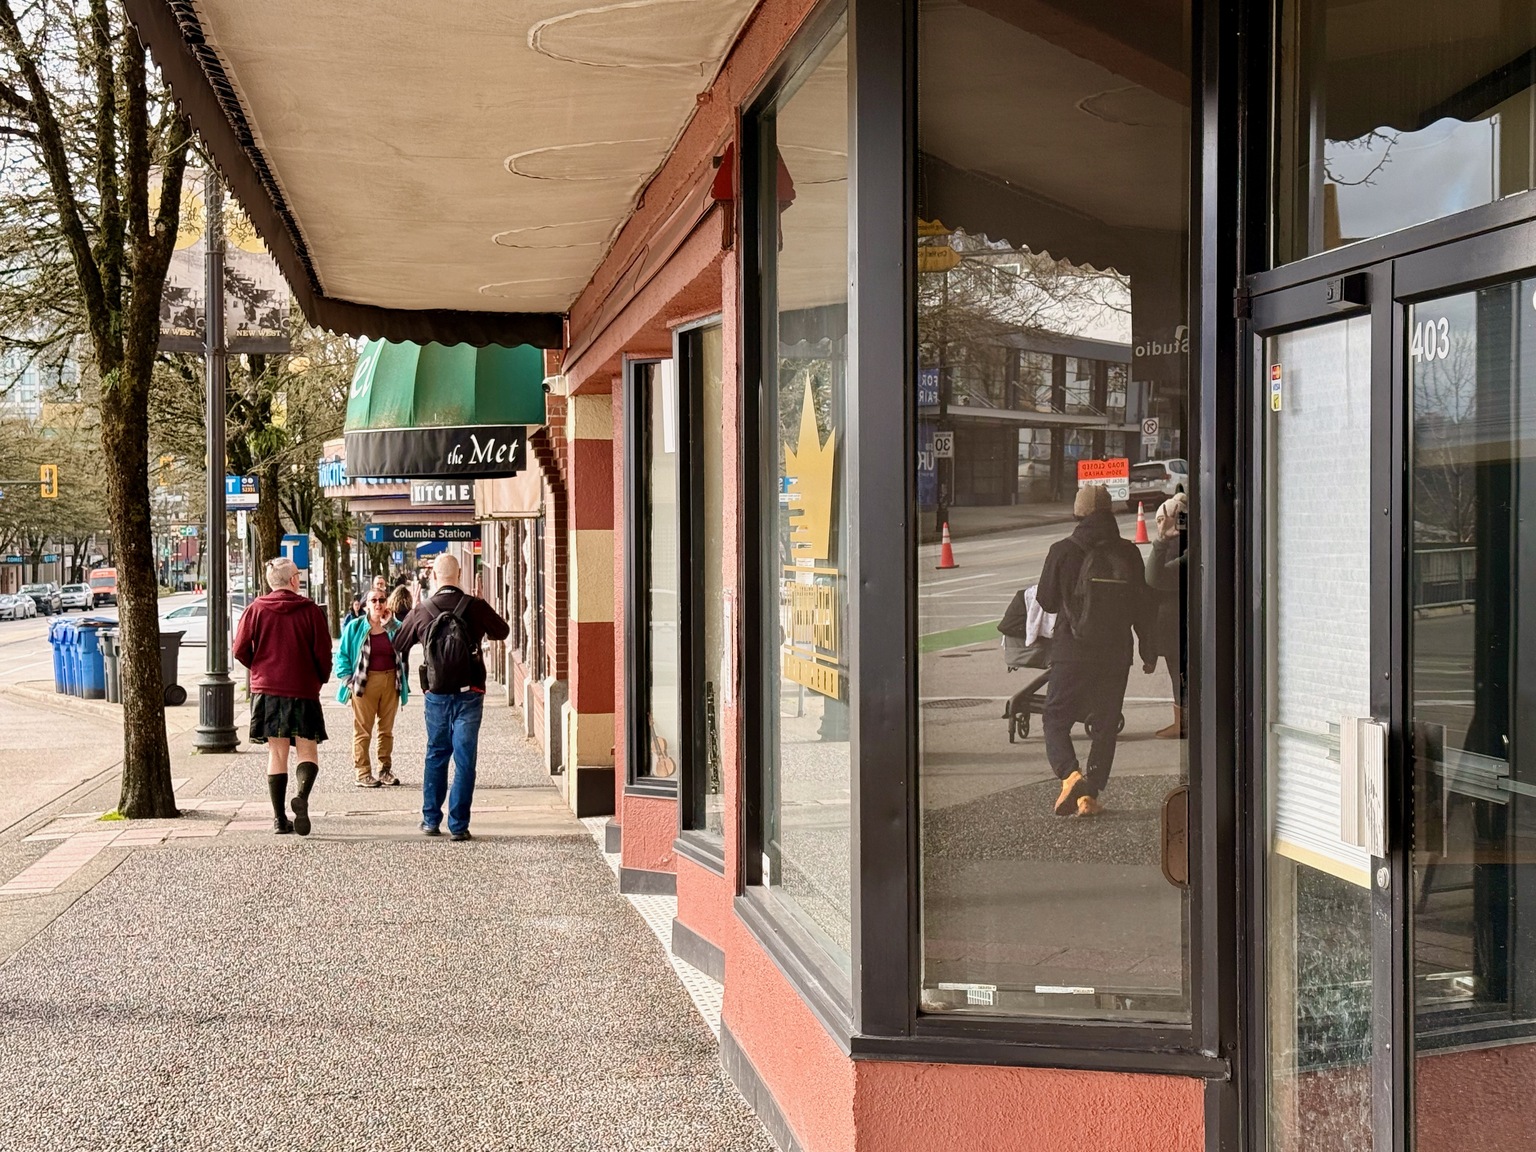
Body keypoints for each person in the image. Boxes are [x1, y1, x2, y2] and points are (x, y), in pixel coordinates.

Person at [1035, 483, 1151, 818]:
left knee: (1055, 717)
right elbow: (1141, 606)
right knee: (1104, 724)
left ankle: (1070, 776)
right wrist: (1148, 648)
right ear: (1109, 513)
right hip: (1116, 653)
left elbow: (1047, 601)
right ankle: (1090, 796)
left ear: (1079, 511)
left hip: (1073, 649)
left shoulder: (1063, 550)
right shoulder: (1128, 552)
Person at [394, 554, 510, 841]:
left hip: (436, 694)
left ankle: (430, 820)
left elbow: (399, 644)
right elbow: (503, 631)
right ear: (460, 576)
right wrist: (481, 610)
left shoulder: (422, 610)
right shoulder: (476, 606)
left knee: (436, 754)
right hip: (470, 693)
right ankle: (459, 825)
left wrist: (410, 614)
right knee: (465, 758)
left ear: (434, 576)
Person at [233, 557, 333, 835]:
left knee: (276, 752)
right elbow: (323, 653)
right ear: (292, 581)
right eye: (298, 575)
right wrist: (319, 678)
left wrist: (260, 667)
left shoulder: (255, 610)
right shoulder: (311, 611)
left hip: (267, 691)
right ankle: (301, 796)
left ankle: (279, 819)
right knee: (307, 749)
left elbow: (240, 648)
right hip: (302, 689)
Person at [335, 587, 409, 787]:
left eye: (382, 600)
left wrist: (391, 624)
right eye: (373, 600)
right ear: (366, 605)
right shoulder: (355, 627)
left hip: (390, 681)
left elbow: (408, 638)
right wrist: (348, 681)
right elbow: (341, 655)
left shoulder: (393, 626)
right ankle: (362, 772)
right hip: (364, 683)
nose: (378, 604)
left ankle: (385, 769)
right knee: (363, 730)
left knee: (386, 730)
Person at [1146, 492, 1188, 740]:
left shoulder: (1181, 549)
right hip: (1174, 622)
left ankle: (1182, 721)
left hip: (1176, 622)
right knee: (1178, 673)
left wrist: (1161, 540)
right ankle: (1180, 719)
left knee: (1179, 673)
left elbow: (1154, 578)